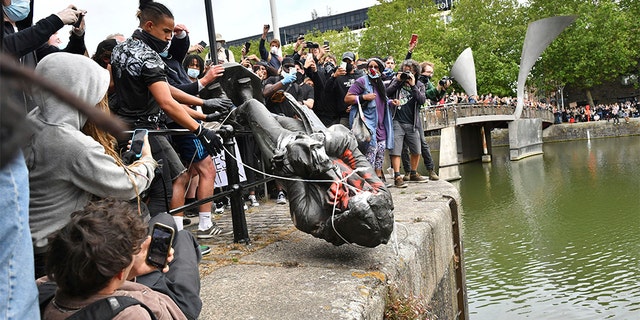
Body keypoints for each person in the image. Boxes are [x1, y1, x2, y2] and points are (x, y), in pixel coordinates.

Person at [24, 52, 158, 278]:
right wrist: (147, 161)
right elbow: (126, 185)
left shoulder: (31, 121)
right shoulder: (71, 143)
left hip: (26, 246)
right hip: (53, 252)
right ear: (80, 92)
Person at [110, 0, 227, 220]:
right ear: (149, 26)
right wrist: (200, 130)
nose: (168, 38)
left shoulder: (119, 49)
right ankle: (167, 237)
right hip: (146, 129)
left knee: (143, 184)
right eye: (166, 31)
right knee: (175, 179)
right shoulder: (149, 56)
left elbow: (162, 88)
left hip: (121, 126)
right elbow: (166, 101)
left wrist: (203, 103)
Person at [39, 198, 202, 319]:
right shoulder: (130, 315)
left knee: (165, 221)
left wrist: (131, 272)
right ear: (118, 272)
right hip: (177, 306)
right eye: (134, 251)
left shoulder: (44, 287)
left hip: (129, 283)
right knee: (184, 237)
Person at [345, 58, 398, 182]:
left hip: (381, 124)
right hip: (368, 124)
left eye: (376, 67)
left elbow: (382, 100)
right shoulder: (362, 81)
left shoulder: (379, 83)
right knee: (371, 152)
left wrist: (391, 102)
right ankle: (368, 180)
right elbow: (347, 98)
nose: (373, 69)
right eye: (370, 67)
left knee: (380, 152)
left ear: (380, 69)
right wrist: (364, 97)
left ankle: (378, 179)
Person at [385, 59, 427, 187]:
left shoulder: (419, 84)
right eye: (405, 69)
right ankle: (398, 176)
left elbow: (421, 100)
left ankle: (413, 173)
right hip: (397, 120)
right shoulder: (397, 81)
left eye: (410, 70)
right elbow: (387, 93)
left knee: (416, 150)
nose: (407, 72)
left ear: (415, 71)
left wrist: (413, 85)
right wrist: (398, 81)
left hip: (412, 122)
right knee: (396, 150)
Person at [325, 52, 361, 127]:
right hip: (344, 115)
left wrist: (355, 105)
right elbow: (327, 91)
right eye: (345, 61)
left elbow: (366, 93)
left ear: (354, 63)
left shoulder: (360, 76)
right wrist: (334, 76)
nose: (347, 63)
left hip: (359, 112)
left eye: (349, 61)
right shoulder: (338, 76)